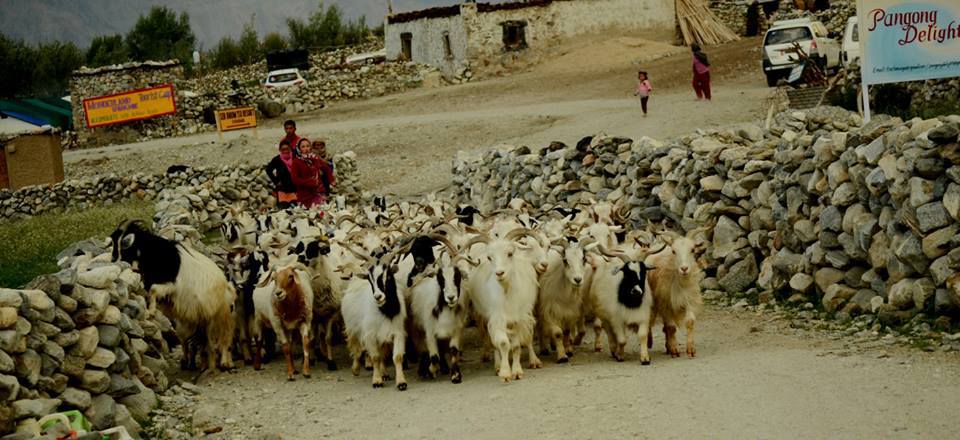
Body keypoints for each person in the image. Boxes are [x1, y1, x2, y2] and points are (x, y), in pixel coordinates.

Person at [291, 138, 325, 208]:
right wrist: (309, 182)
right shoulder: (296, 162)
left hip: (317, 193)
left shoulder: (314, 159)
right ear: (299, 149)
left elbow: (319, 174)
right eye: (303, 147)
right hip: (304, 195)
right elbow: (295, 179)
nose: (306, 149)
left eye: (307, 146)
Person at [266, 140, 299, 208]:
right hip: (282, 189)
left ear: (290, 148)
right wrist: (276, 181)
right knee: (284, 208)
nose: (286, 151)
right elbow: (268, 169)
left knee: (295, 208)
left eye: (287, 149)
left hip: (294, 188)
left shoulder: (295, 157)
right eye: (283, 149)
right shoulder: (277, 159)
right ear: (280, 150)